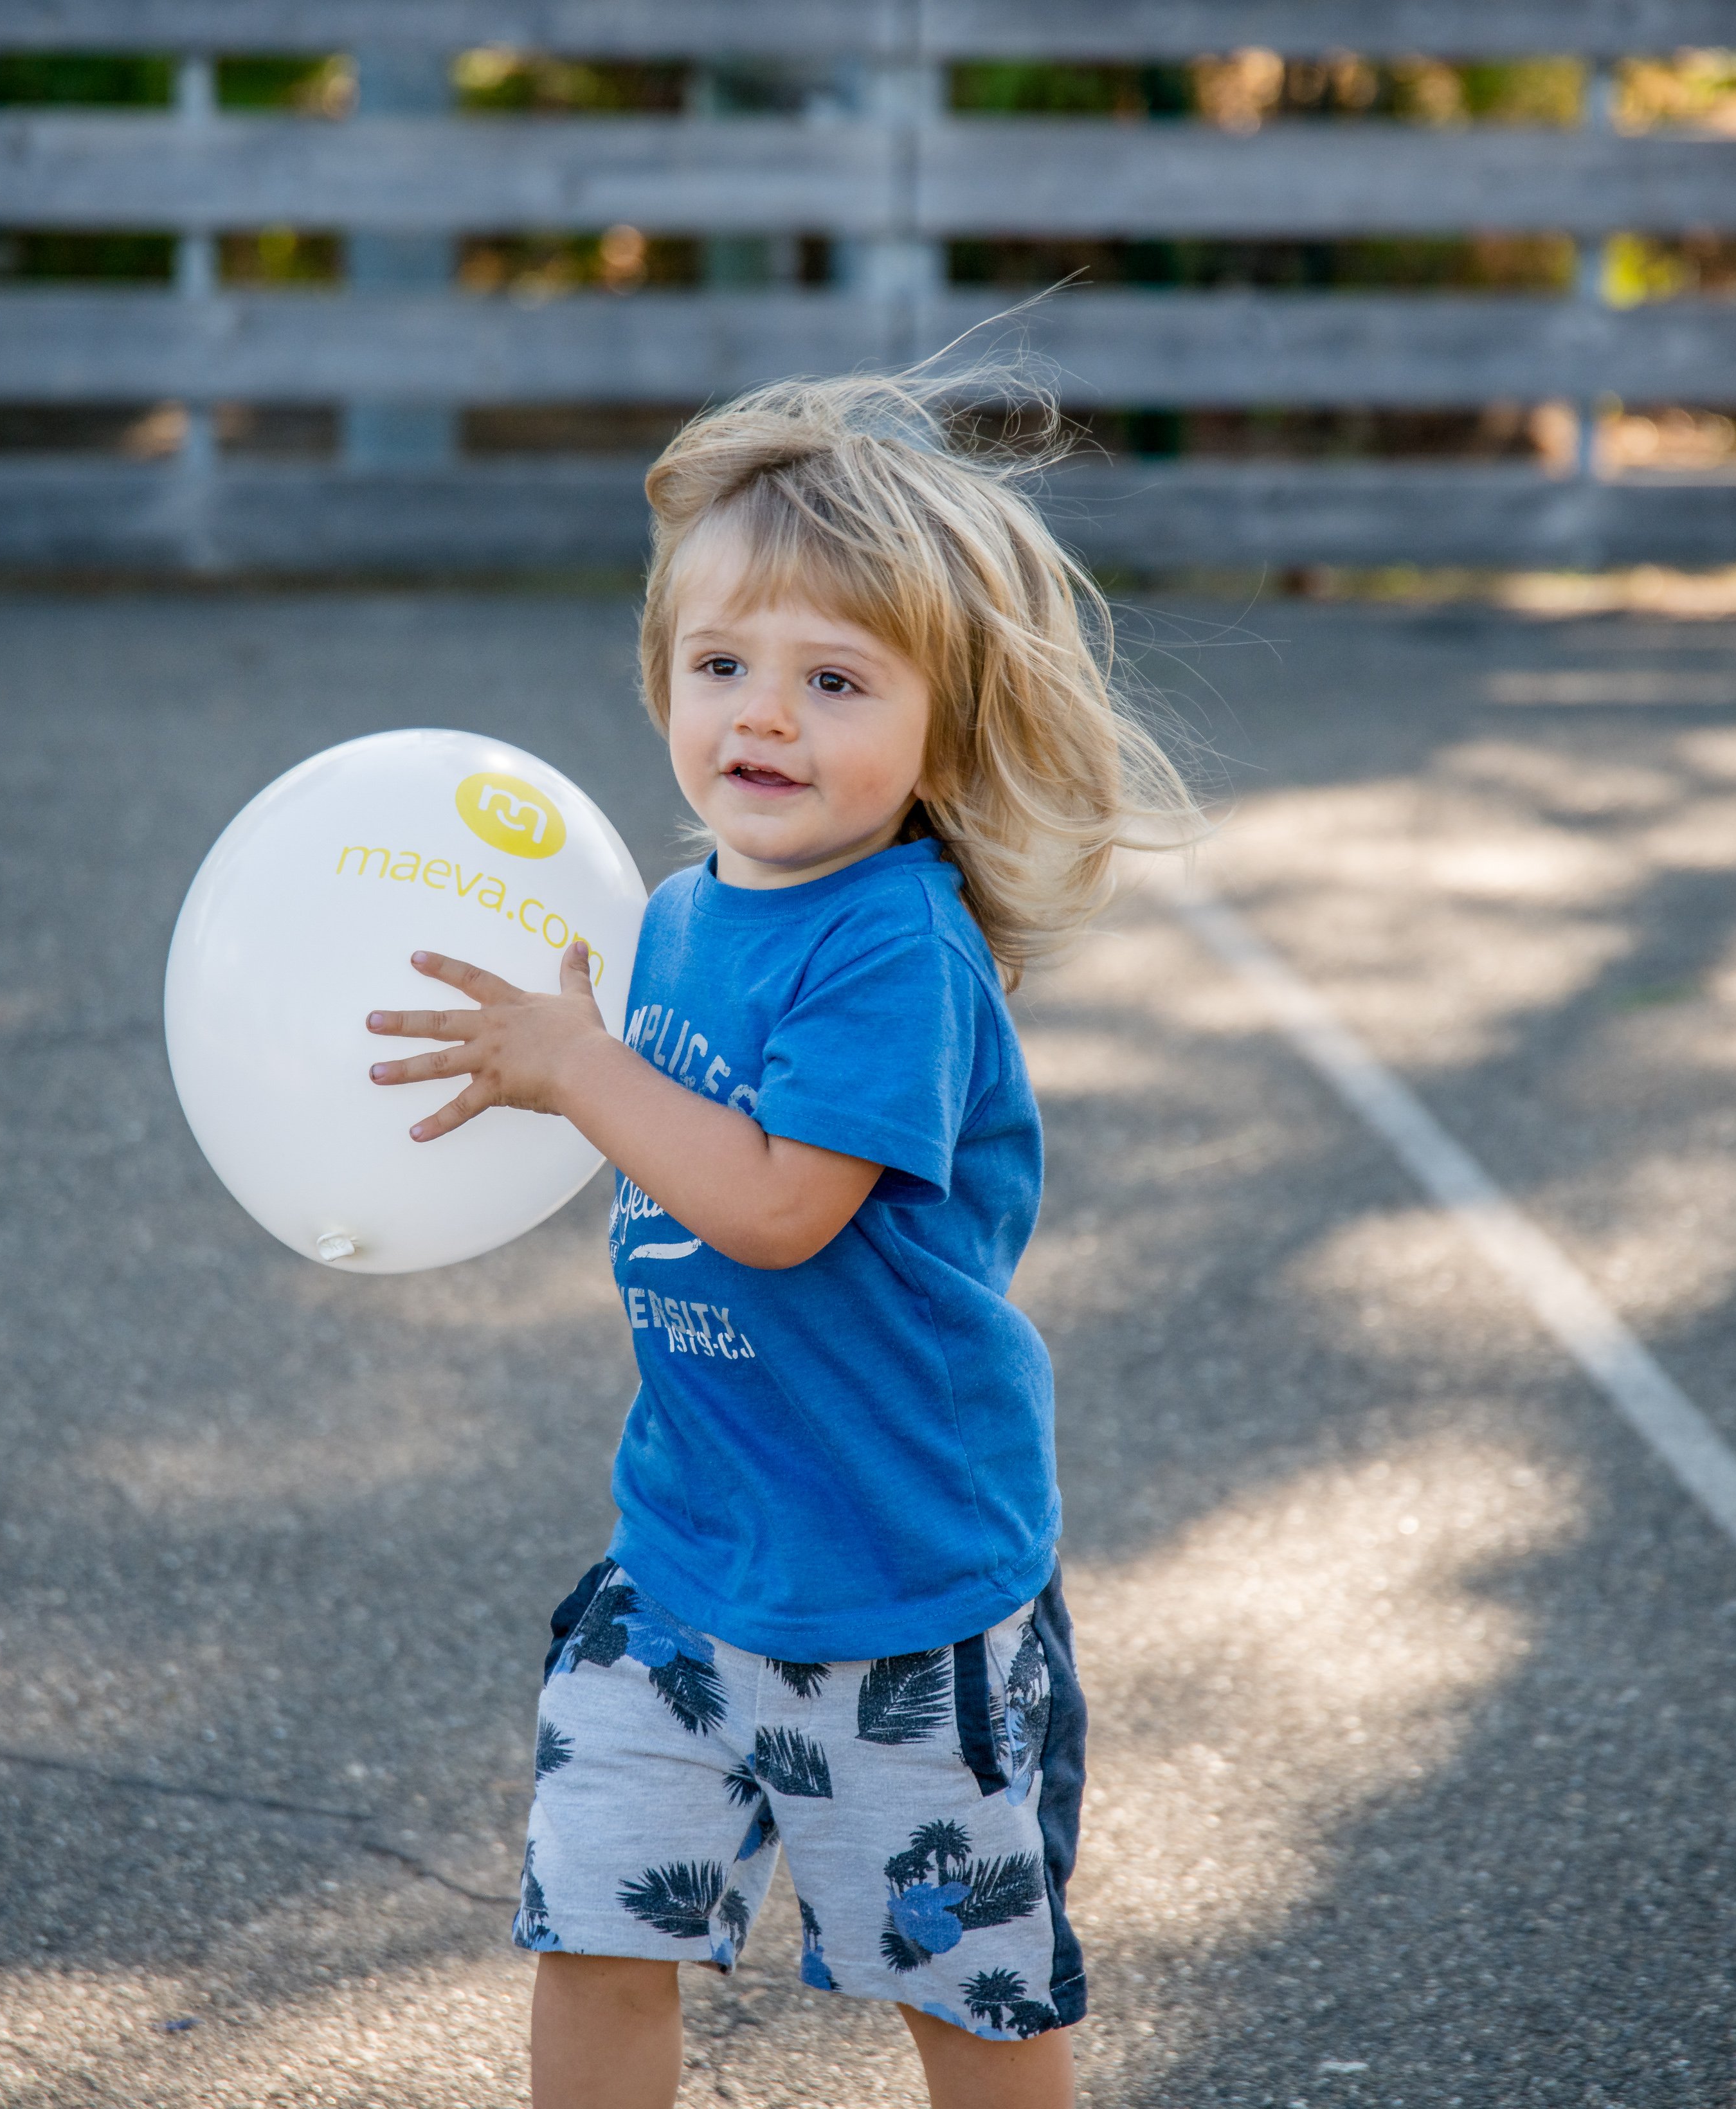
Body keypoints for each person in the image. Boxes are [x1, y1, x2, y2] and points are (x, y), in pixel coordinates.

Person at [365, 363, 1200, 2109]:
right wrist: (546, 1072)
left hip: (904, 1588)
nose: (766, 715)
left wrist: (580, 1071)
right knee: (594, 1932)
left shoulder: (896, 948)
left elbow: (769, 1204)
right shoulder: (672, 917)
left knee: (967, 1995)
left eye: (835, 681)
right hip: (686, 1557)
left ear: (935, 735)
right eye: (723, 665)